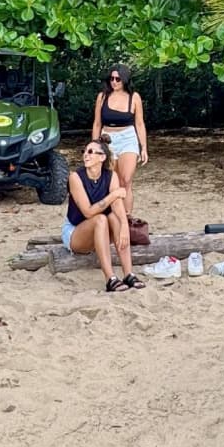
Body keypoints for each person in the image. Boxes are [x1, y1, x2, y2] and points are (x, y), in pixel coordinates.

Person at [62, 134, 146, 292]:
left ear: (102, 157)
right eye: (85, 151)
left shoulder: (111, 176)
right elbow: (87, 212)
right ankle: (110, 278)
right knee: (100, 218)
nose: (86, 155)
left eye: (91, 151)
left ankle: (129, 274)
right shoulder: (75, 177)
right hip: (76, 231)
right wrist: (113, 195)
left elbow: (117, 206)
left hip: (101, 230)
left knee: (115, 218)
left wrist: (123, 227)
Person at [91, 64, 147, 217]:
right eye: (112, 79)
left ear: (125, 80)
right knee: (111, 181)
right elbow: (97, 123)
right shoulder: (102, 97)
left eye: (118, 79)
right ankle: (114, 215)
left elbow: (140, 123)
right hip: (107, 138)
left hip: (128, 137)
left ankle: (127, 216)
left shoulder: (134, 97)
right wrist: (95, 145)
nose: (114, 82)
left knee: (126, 180)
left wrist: (143, 147)